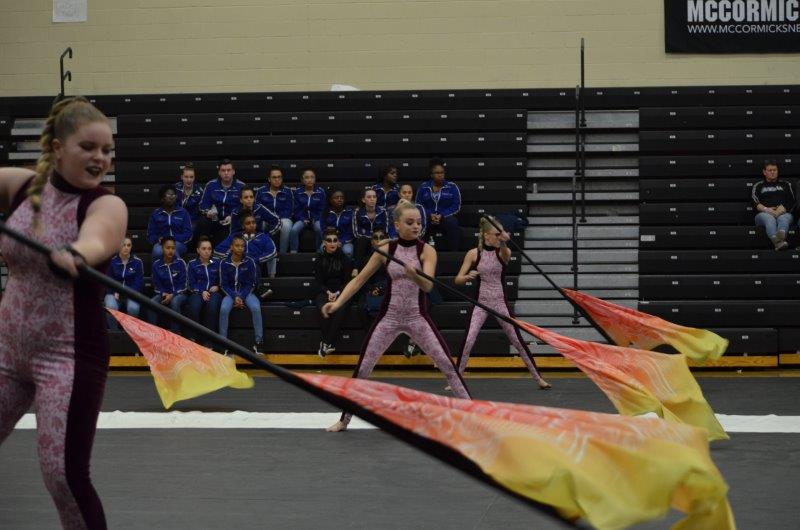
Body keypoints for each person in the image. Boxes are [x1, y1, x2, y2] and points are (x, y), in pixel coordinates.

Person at [0, 96, 127, 529]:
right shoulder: (23, 188)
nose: (100, 158)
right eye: (88, 147)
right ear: (57, 148)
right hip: (8, 353)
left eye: (107, 150)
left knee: (63, 478)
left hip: (66, 361)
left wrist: (77, 252)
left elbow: (99, 237)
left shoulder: (104, 204)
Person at [322, 200, 471, 432]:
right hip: (389, 318)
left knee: (446, 365)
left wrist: (415, 275)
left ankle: (475, 416)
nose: (416, 226)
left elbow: (428, 286)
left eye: (418, 222)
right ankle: (344, 420)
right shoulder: (386, 249)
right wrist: (338, 303)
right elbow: (359, 280)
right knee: (363, 367)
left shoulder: (427, 250)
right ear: (397, 225)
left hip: (417, 317)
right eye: (410, 222)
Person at [454, 217, 550, 390]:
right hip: (481, 303)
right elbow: (457, 279)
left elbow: (506, 256)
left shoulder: (503, 251)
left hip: (499, 302)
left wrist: (504, 241)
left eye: (501, 234)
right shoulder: (473, 254)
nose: (499, 237)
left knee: (517, 340)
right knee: (469, 339)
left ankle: (538, 378)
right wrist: (467, 277)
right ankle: (457, 378)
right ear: (486, 236)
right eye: (496, 235)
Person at [219, 234, 264, 354]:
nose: (240, 248)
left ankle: (259, 342)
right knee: (224, 309)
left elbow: (251, 283)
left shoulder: (250, 261)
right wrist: (235, 297)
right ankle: (223, 342)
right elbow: (223, 285)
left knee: (256, 307)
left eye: (242, 246)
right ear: (231, 247)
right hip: (230, 293)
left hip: (246, 293)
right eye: (237, 246)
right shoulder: (224, 262)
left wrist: (241, 297)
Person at [314, 228, 356, 357]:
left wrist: (337, 293)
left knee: (340, 308)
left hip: (342, 291)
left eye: (335, 240)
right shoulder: (319, 259)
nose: (332, 243)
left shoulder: (345, 259)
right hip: (325, 290)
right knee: (322, 306)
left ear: (338, 242)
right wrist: (328, 292)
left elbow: (347, 282)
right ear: (324, 243)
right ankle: (329, 344)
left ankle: (326, 342)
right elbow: (318, 282)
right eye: (329, 240)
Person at [416, 158, 461, 251]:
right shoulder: (423, 187)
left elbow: (456, 206)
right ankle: (420, 251)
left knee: (452, 222)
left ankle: (453, 253)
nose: (440, 175)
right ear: (431, 175)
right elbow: (418, 205)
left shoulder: (452, 186)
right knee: (420, 222)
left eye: (442, 172)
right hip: (428, 217)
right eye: (437, 173)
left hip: (445, 217)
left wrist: (442, 215)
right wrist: (429, 214)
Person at [199, 158, 245, 245]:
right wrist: (208, 212)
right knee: (202, 222)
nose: (226, 173)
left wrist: (233, 216)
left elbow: (244, 207)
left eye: (229, 170)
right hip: (214, 219)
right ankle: (204, 247)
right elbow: (202, 206)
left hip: (232, 220)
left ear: (233, 171)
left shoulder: (241, 186)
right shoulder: (211, 185)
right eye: (223, 170)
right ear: (219, 172)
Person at [215, 210, 277, 275]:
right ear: (243, 226)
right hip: (235, 266)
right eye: (248, 223)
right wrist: (230, 257)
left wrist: (256, 260)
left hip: (254, 266)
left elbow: (272, 252)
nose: (251, 225)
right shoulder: (235, 236)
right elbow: (218, 250)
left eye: (253, 222)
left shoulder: (263, 237)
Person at [185, 236, 222, 345]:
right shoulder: (192, 264)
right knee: (194, 307)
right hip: (196, 292)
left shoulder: (216, 262)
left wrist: (218, 286)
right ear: (198, 250)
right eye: (204, 249)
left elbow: (223, 280)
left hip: (214, 292)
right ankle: (192, 338)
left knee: (212, 307)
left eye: (209, 249)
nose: (207, 251)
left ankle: (209, 341)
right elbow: (190, 283)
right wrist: (201, 291)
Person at [147, 236, 188, 332]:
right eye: (168, 248)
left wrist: (173, 295)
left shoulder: (181, 263)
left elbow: (184, 284)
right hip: (163, 293)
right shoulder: (156, 265)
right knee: (151, 303)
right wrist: (163, 293)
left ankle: (175, 333)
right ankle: (152, 333)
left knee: (175, 302)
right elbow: (156, 285)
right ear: (162, 248)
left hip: (180, 293)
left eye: (173, 248)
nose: (170, 251)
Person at [752, 160, 795, 251]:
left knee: (783, 218)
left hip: (783, 212)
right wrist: (767, 210)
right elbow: (755, 202)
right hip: (764, 214)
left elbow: (792, 201)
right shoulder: (758, 185)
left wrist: (783, 209)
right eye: (770, 170)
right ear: (764, 172)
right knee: (769, 219)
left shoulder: (786, 184)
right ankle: (778, 241)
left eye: (774, 170)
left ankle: (778, 242)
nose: (772, 172)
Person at [104, 236, 144, 331]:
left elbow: (138, 283)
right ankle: (114, 333)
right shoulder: (112, 261)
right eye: (123, 245)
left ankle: (131, 333)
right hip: (114, 293)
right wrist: (114, 291)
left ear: (131, 247)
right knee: (111, 306)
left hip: (132, 293)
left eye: (128, 245)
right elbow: (108, 281)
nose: (126, 247)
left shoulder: (137, 262)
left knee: (133, 308)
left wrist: (126, 293)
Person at [256, 165, 294, 254]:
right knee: (260, 223)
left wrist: (276, 219)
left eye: (279, 177)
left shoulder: (288, 191)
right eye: (274, 177)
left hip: (283, 218)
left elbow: (290, 210)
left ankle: (283, 253)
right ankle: (263, 252)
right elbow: (257, 208)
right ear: (269, 179)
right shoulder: (261, 191)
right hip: (266, 219)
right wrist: (270, 218)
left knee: (286, 225)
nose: (277, 180)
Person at [147, 184, 192, 258]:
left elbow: (188, 233)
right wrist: (158, 239)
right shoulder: (156, 214)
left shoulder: (183, 212)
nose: (171, 197)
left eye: (173, 195)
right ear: (162, 198)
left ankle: (177, 265)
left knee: (172, 250)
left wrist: (173, 239)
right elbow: (150, 235)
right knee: (157, 251)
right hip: (161, 243)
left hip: (178, 243)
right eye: (168, 195)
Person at [289, 168, 326, 252]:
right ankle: (293, 252)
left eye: (312, 177)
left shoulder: (320, 192)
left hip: (316, 219)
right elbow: (296, 209)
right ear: (302, 180)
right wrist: (302, 219)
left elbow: (322, 209)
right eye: (307, 177)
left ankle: (319, 251)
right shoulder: (298, 192)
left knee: (319, 228)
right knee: (294, 230)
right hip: (302, 219)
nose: (309, 180)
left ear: (315, 179)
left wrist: (315, 219)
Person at [353, 188, 388, 266]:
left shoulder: (383, 211)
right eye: (369, 197)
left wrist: (377, 240)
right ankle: (356, 268)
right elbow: (356, 233)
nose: (372, 199)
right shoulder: (357, 212)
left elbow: (386, 230)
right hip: (364, 241)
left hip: (380, 240)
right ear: (363, 200)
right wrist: (372, 239)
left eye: (374, 197)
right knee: (361, 241)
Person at [321, 188, 355, 258]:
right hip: (329, 239)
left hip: (345, 241)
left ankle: (346, 265)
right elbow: (323, 229)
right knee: (322, 248)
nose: (340, 199)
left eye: (342, 198)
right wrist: (332, 241)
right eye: (336, 198)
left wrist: (341, 241)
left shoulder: (350, 212)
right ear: (330, 200)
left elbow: (350, 231)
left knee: (348, 251)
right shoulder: (325, 213)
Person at [174, 162, 203, 227]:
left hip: (192, 222)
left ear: (194, 178)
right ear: (182, 177)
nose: (189, 180)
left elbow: (200, 212)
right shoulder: (175, 188)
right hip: (176, 219)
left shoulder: (199, 192)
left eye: (191, 177)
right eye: (186, 177)